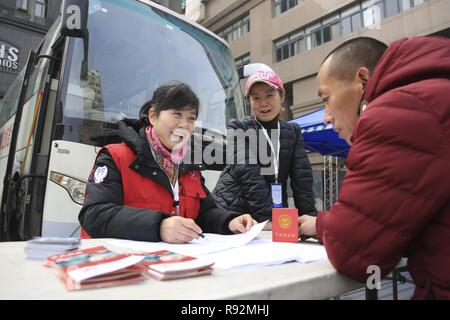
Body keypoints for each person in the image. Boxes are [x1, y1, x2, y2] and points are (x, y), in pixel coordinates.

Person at [299, 36, 450, 299]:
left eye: (326, 98)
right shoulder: (433, 93)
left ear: (363, 81)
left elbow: (354, 251)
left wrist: (321, 225)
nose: (326, 117)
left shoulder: (399, 111)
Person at [79, 81, 256, 243]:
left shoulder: (189, 166)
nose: (184, 125)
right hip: (126, 268)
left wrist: (229, 221)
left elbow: (204, 214)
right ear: (153, 116)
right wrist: (159, 226)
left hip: (177, 266)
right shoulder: (116, 157)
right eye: (176, 114)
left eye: (191, 118)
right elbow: (94, 215)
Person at [212, 68, 317, 223]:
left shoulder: (293, 132)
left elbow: (302, 180)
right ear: (250, 102)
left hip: (271, 215)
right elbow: (249, 176)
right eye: (256, 98)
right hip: (233, 213)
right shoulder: (237, 128)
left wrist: (309, 218)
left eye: (269, 95)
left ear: (281, 96)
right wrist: (269, 219)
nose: (263, 103)